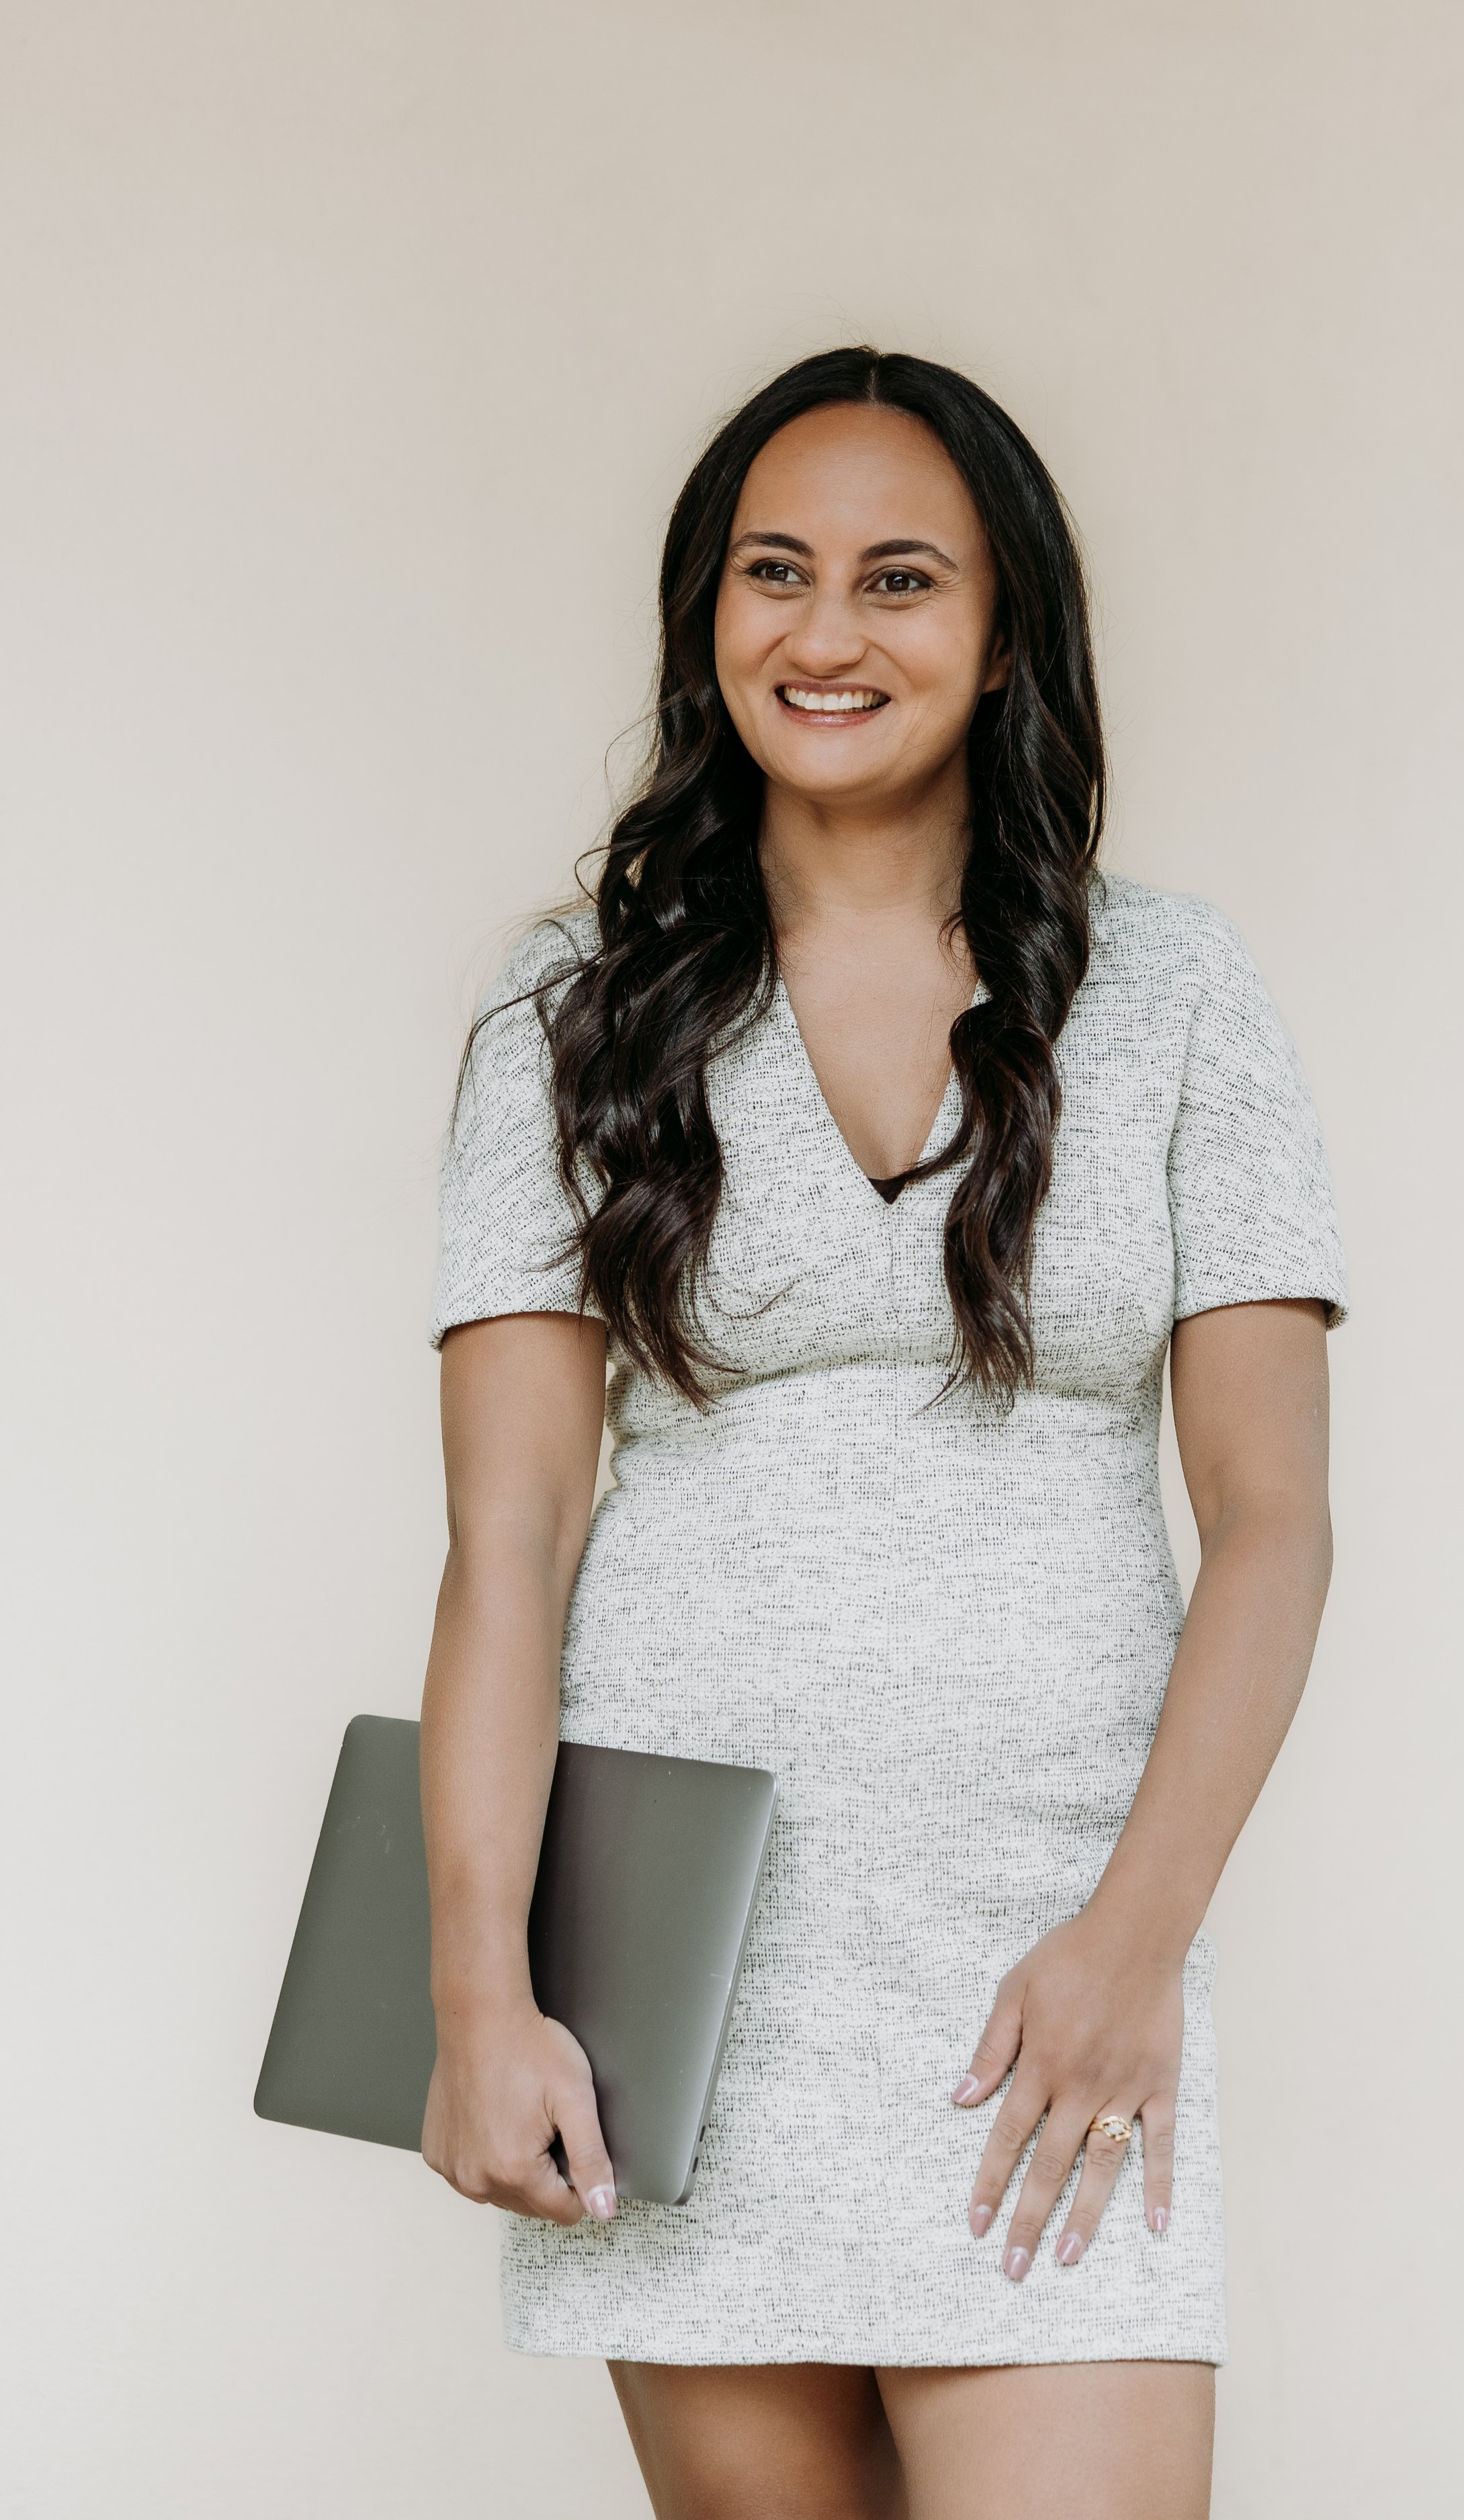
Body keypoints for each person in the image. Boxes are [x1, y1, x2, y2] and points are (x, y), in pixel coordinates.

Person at [418, 345, 1346, 2520]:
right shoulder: (566, 1019)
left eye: (899, 578)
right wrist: (478, 1985)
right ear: (705, 616)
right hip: (677, 1967)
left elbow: (1278, 1524)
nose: (823, 634)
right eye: (773, 573)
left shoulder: (1177, 996)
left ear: (1005, 626)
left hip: (1044, 1953)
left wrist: (1137, 1944)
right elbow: (507, 1544)